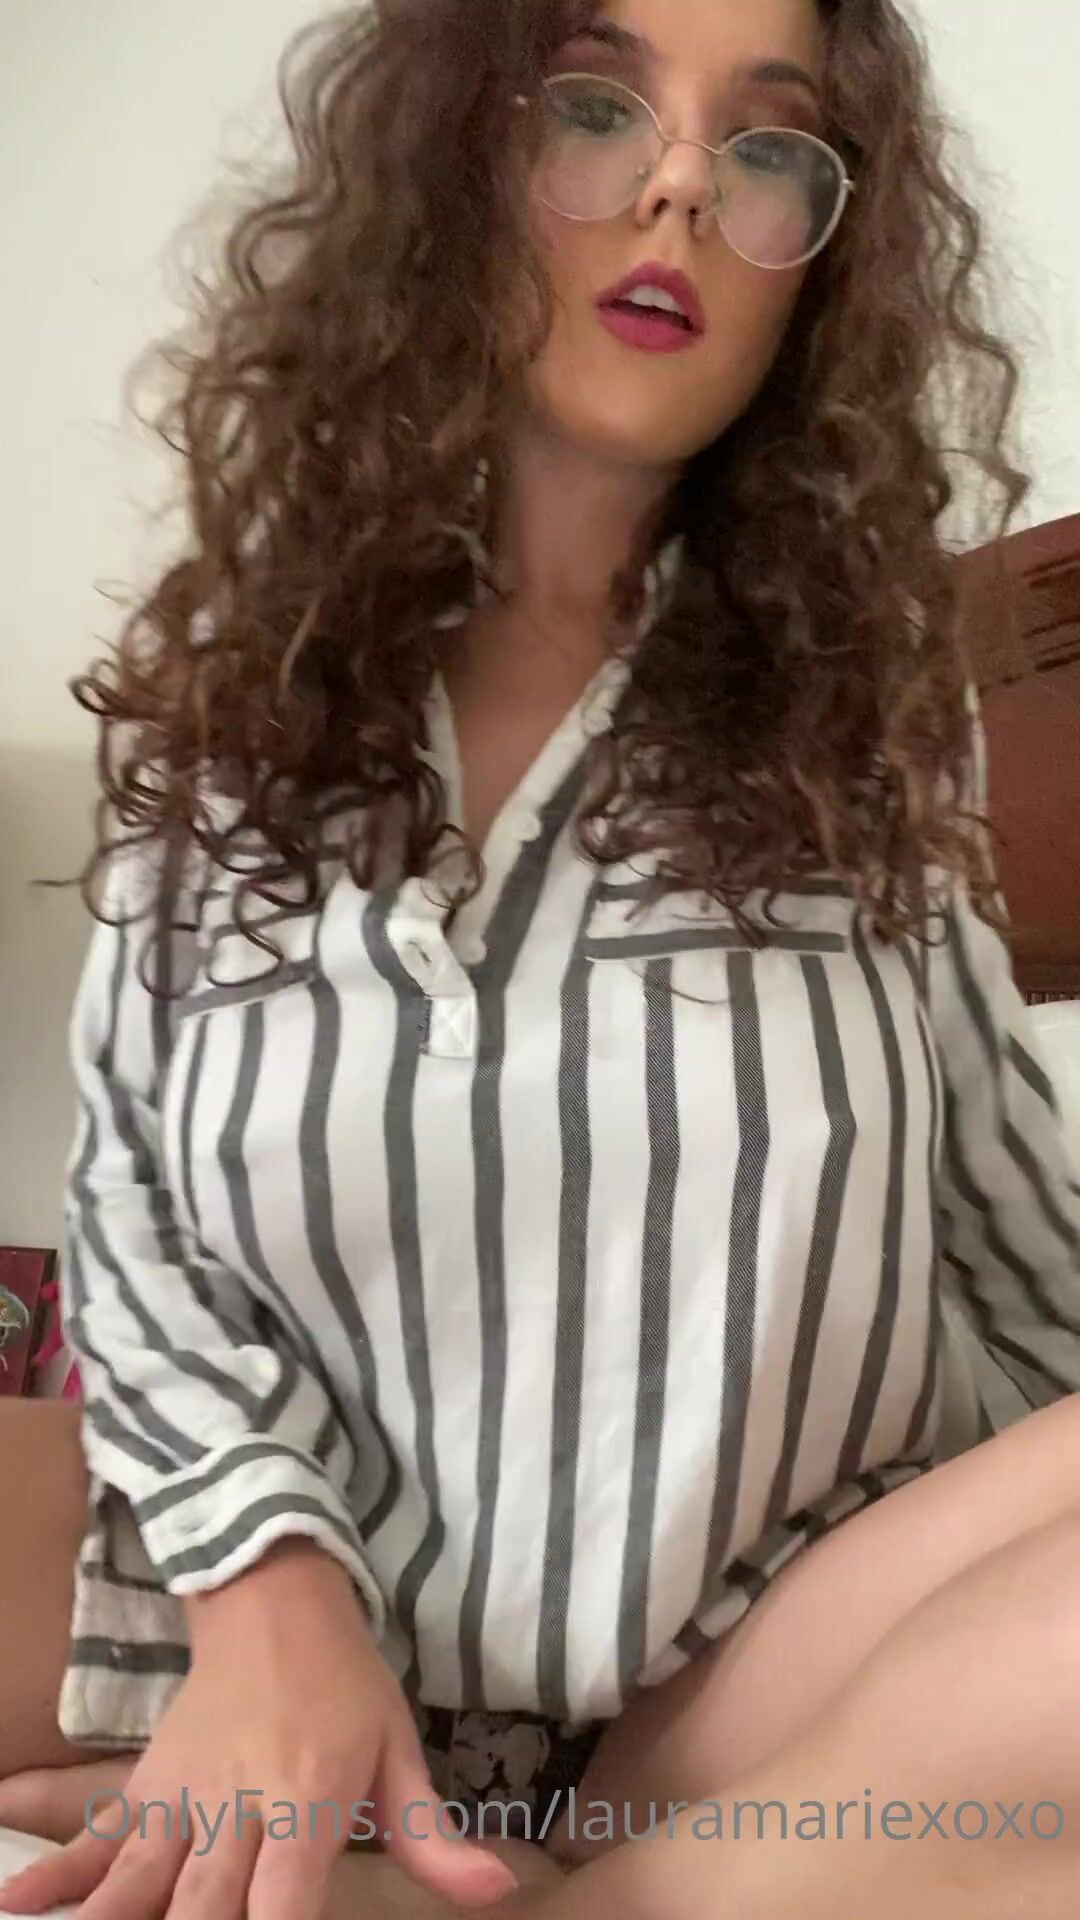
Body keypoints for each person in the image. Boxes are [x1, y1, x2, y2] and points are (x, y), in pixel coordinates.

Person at [2, 0, 1079, 1915]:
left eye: (771, 149)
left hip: (750, 1671)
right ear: (452, 171)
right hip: (312, 1626)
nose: (681, 187)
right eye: (595, 106)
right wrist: (262, 1581)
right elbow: (135, 1202)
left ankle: (593, 1885)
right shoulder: (230, 710)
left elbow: (1002, 1201)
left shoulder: (871, 725)